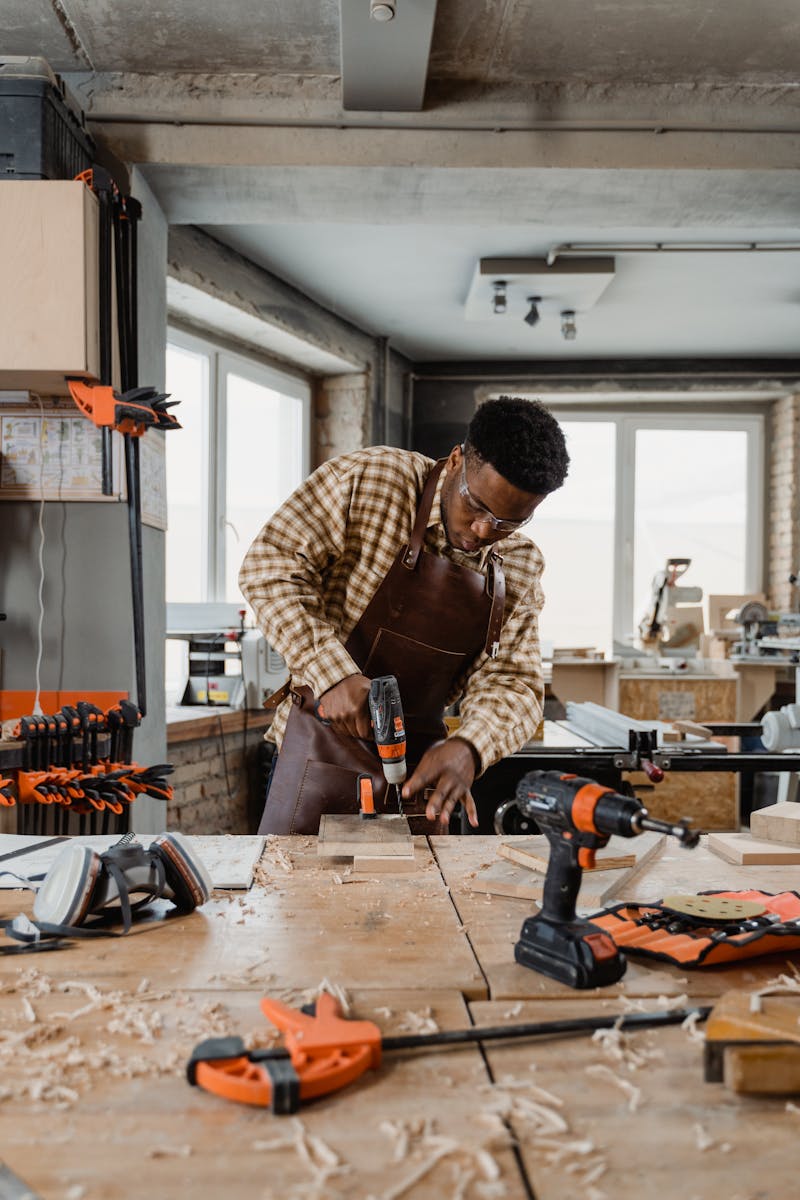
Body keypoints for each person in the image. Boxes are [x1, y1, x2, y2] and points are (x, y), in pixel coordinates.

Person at [239, 396, 569, 835]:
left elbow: (514, 682)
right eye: (476, 507)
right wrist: (333, 673)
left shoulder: (519, 565)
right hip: (319, 746)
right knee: (295, 894)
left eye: (509, 522)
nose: (484, 532)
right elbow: (270, 567)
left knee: (418, 903)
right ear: (456, 461)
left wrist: (470, 747)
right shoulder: (372, 481)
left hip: (420, 769)